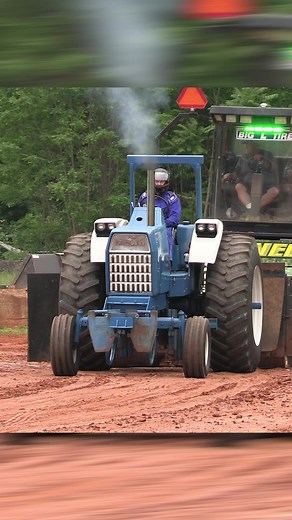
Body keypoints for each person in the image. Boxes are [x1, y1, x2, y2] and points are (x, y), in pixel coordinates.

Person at [137, 168, 182, 260]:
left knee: (166, 233)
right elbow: (138, 213)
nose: (159, 184)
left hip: (165, 226)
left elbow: (175, 217)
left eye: (161, 182)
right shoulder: (144, 197)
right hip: (146, 226)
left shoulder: (172, 198)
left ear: (166, 182)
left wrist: (162, 224)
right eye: (157, 181)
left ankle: (167, 260)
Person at [224, 142, 280, 214]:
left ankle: (253, 208)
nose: (247, 147)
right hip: (247, 184)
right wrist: (230, 175)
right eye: (246, 145)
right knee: (239, 186)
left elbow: (274, 168)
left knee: (275, 191)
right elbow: (237, 172)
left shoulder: (267, 155)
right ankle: (250, 207)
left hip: (266, 185)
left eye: (249, 145)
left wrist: (263, 160)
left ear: (256, 146)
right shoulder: (244, 157)